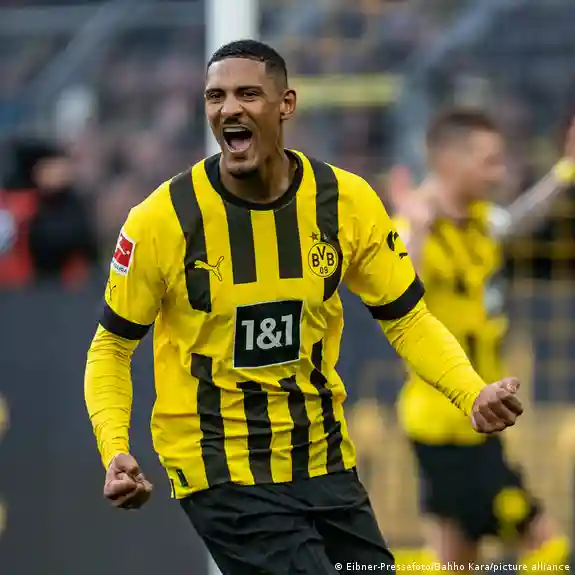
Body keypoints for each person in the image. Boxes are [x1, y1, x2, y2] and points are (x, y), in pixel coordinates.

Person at [84, 41, 523, 575]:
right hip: (220, 466)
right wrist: (114, 448)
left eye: (248, 94)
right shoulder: (162, 219)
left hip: (323, 457)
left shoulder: (346, 201)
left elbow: (408, 318)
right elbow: (111, 348)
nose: (229, 108)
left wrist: (470, 391)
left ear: (286, 104)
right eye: (216, 97)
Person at [391, 108, 574, 571]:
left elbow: (518, 220)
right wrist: (419, 229)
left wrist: (565, 171)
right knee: (549, 548)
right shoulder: (411, 227)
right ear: (449, 162)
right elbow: (398, 298)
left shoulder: (481, 220)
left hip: (478, 419)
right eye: (489, 162)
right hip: (448, 424)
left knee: (456, 562)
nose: (500, 172)